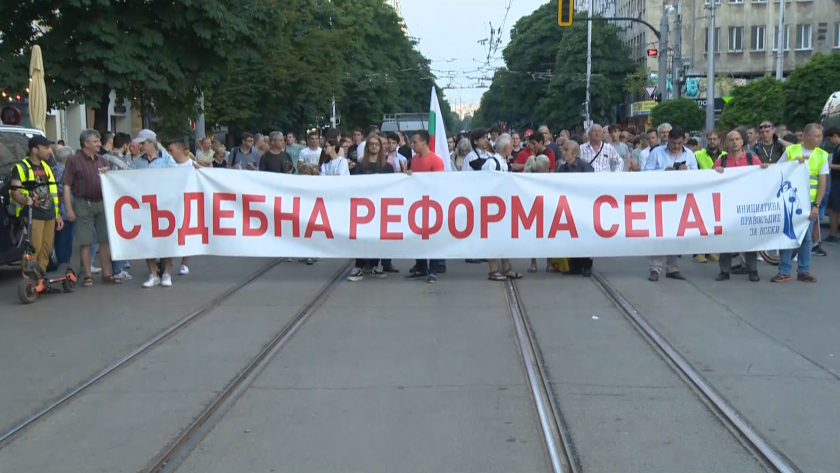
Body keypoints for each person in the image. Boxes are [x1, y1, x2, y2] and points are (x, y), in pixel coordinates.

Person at [62, 129, 121, 287]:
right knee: (85, 241)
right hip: (82, 203)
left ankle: (106, 274)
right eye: (95, 141)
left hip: (101, 202)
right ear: (86, 143)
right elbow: (66, 186)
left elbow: (110, 182)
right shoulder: (74, 160)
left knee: (105, 240)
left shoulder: (102, 160)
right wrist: (69, 209)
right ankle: (88, 275)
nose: (99, 144)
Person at [772, 123, 830, 283]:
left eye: (821, 136)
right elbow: (778, 171)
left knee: (807, 238)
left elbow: (822, 182)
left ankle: (803, 271)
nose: (820, 139)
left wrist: (817, 205)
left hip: (809, 202)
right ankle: (784, 270)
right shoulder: (791, 151)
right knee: (787, 235)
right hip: (790, 200)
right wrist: (792, 164)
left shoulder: (822, 155)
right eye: (817, 136)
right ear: (807, 136)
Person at [712, 130, 770, 282]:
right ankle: (724, 271)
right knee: (725, 240)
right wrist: (715, 171)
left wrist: (764, 168)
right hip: (727, 206)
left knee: (749, 239)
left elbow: (765, 176)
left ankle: (752, 270)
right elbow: (710, 180)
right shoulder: (721, 161)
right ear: (727, 143)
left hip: (747, 205)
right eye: (731, 140)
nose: (735, 142)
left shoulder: (752, 159)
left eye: (737, 139)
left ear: (742, 142)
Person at [644, 126, 697, 282]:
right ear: (668, 140)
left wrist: (687, 171)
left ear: (684, 141)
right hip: (660, 198)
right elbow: (645, 172)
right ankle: (655, 268)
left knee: (675, 233)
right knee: (658, 233)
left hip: (681, 199)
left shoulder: (690, 155)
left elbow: (698, 174)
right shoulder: (656, 153)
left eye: (679, 143)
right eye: (673, 143)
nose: (675, 146)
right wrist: (663, 172)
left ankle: (673, 268)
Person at [8, 135, 64, 279]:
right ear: (34, 149)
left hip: (50, 214)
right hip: (33, 213)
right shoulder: (21, 167)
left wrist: (57, 214)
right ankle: (28, 281)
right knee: (34, 249)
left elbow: (53, 193)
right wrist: (25, 200)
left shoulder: (46, 167)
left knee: (46, 249)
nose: (49, 151)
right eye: (45, 148)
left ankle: (40, 279)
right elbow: (15, 192)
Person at [347, 134, 397, 281]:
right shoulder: (360, 166)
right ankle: (359, 266)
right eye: (371, 144)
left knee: (377, 237)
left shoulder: (387, 167)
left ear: (381, 147)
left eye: (377, 144)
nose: (374, 147)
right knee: (361, 237)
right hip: (363, 207)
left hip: (380, 208)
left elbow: (394, 186)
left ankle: (375, 265)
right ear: (367, 147)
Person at [405, 130, 444, 284]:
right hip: (417, 204)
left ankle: (433, 269)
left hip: (432, 204)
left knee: (433, 237)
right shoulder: (414, 160)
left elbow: (438, 183)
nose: (412, 144)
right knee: (417, 236)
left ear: (424, 142)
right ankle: (421, 266)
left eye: (415, 141)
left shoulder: (435, 160)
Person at [557, 139, 595, 277]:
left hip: (583, 206)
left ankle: (586, 265)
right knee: (571, 236)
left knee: (584, 236)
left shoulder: (585, 167)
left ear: (575, 154)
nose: (563, 152)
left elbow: (591, 186)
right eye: (563, 150)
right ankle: (575, 265)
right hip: (568, 206)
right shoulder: (562, 168)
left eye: (566, 150)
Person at [824, 126, 840, 243]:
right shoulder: (837, 148)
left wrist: (830, 165)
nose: (829, 142)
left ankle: (834, 235)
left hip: (838, 182)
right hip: (835, 181)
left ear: (835, 136)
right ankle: (833, 234)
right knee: (831, 208)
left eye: (829, 139)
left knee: (836, 208)